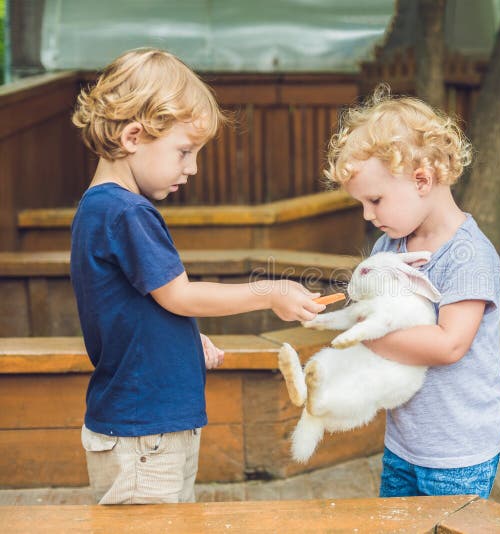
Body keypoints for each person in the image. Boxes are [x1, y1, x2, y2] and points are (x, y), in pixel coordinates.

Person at [69, 48, 325, 504]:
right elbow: (179, 296)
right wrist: (270, 290)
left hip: (148, 426)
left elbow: (136, 309)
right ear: (132, 136)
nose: (192, 168)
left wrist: (180, 343)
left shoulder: (103, 208)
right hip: (145, 435)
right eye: (184, 151)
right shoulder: (126, 211)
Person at [323, 86, 500, 499]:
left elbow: (449, 345)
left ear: (422, 179)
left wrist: (367, 333)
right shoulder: (390, 247)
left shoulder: (468, 256)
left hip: (460, 448)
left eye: (375, 200)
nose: (368, 215)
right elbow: (368, 303)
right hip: (406, 439)